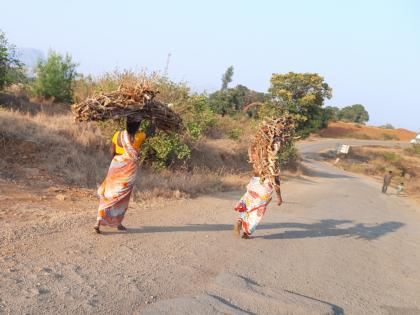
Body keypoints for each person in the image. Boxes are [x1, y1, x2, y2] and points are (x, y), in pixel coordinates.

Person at [94, 117, 154, 234]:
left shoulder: (118, 134)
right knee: (123, 197)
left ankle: (99, 221)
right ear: (138, 126)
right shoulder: (139, 136)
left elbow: (112, 151)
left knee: (109, 193)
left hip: (115, 166)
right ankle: (118, 222)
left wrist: (116, 164)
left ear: (126, 124)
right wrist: (152, 118)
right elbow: (152, 131)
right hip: (129, 170)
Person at [233, 151, 283, 239]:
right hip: (263, 191)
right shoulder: (273, 165)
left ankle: (240, 220)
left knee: (248, 206)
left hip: (253, 185)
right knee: (256, 212)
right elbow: (276, 185)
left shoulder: (257, 163)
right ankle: (246, 233)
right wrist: (279, 197)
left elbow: (252, 155)